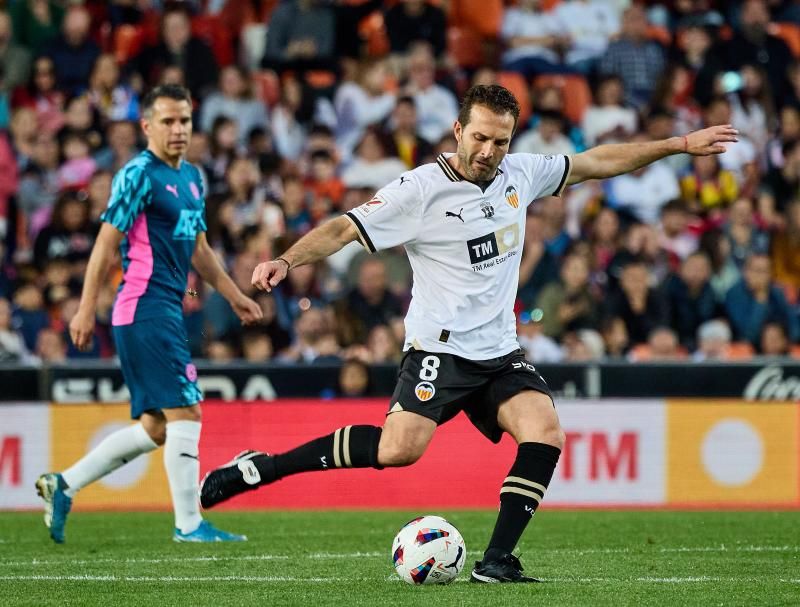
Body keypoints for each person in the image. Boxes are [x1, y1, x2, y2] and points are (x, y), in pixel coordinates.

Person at [199, 84, 736, 582]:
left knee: (545, 432)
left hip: (499, 351)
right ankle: (263, 467)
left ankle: (497, 561)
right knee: (397, 452)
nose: (489, 150)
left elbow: (595, 162)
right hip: (439, 350)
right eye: (479, 137)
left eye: (500, 140)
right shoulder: (418, 191)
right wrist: (287, 260)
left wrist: (679, 144)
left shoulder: (519, 174)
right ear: (458, 131)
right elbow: (343, 228)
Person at [35, 84, 263, 545]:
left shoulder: (194, 177)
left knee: (159, 426)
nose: (178, 129)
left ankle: (64, 484)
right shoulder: (138, 174)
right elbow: (104, 242)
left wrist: (235, 294)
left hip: (163, 310)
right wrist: (83, 309)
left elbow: (199, 249)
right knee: (188, 412)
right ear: (147, 126)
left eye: (184, 120)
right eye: (168, 121)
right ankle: (189, 525)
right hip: (143, 307)